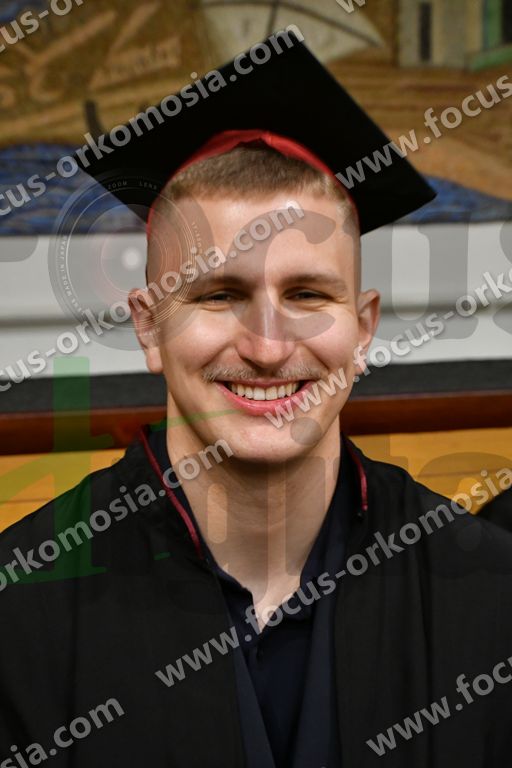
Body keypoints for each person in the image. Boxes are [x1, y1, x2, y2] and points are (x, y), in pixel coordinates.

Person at [1, 31, 512, 768]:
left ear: (364, 328)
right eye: (219, 294)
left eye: (307, 294)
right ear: (148, 326)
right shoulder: (23, 608)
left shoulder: (488, 596)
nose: (268, 347)